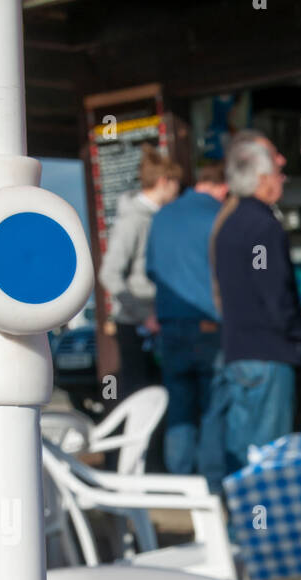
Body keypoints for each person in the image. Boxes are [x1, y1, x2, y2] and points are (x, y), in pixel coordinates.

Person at [212, 131, 301, 479]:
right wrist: (296, 337)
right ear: (263, 180)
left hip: (239, 353)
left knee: (242, 454)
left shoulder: (228, 225)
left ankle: (241, 526)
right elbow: (273, 291)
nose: (282, 180)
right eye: (278, 174)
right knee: (269, 457)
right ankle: (260, 529)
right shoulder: (263, 227)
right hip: (267, 353)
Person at [145, 161, 228, 477]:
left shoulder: (162, 216)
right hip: (209, 326)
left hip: (170, 326)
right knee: (212, 409)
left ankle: (181, 486)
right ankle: (211, 488)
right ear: (223, 187)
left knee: (179, 407)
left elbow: (151, 270)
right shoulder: (219, 215)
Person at [99, 146, 181, 400]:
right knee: (142, 398)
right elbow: (109, 273)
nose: (179, 190)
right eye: (176, 183)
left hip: (156, 322)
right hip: (138, 326)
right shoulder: (133, 219)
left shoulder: (160, 218)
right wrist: (145, 315)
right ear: (164, 181)